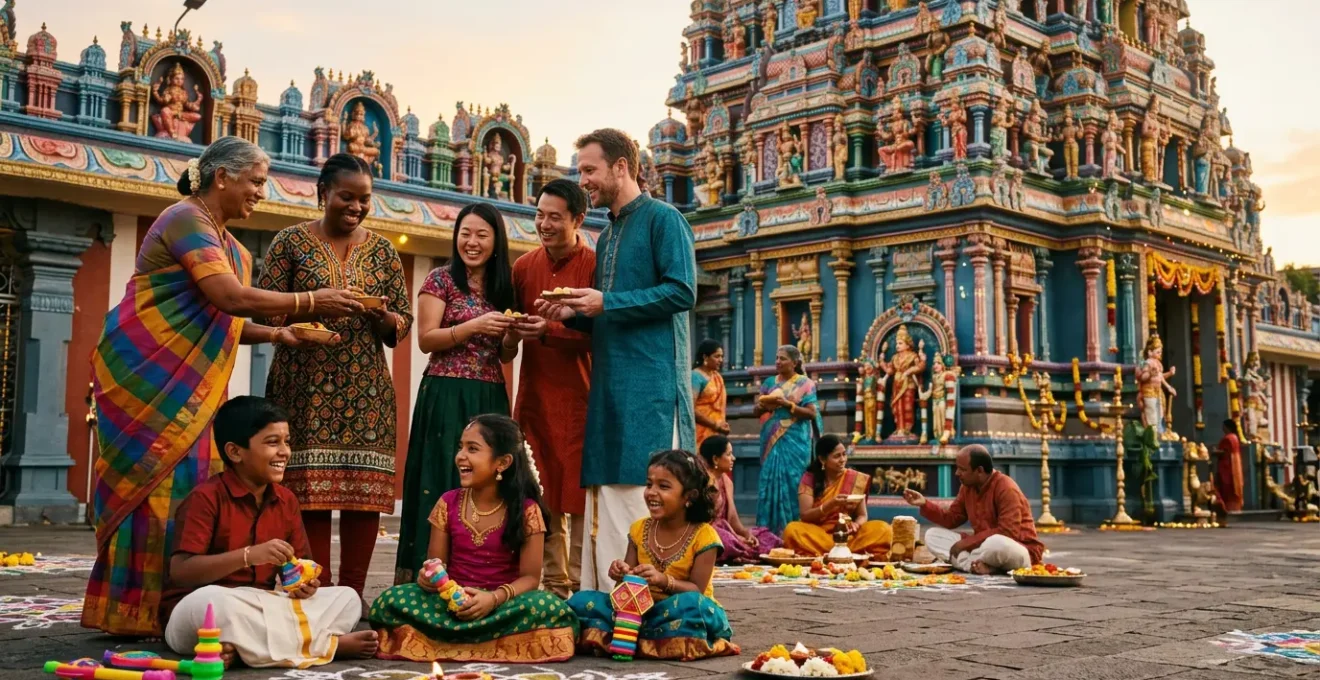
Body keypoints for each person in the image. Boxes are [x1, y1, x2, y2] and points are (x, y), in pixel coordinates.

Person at [85, 137, 364, 636]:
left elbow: (226, 319)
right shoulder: (184, 218)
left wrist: (280, 333)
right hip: (147, 369)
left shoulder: (232, 246)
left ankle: (180, 607)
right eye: (256, 181)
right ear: (222, 177)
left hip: (190, 382)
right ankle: (131, 609)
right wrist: (309, 302)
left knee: (188, 484)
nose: (262, 191)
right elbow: (227, 296)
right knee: (147, 487)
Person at [536, 128, 698, 593]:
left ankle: (647, 604)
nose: (582, 178)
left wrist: (606, 303)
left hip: (650, 385)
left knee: (642, 492)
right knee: (606, 497)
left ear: (621, 167)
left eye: (589, 169)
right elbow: (610, 309)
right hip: (608, 386)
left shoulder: (664, 220)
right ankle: (608, 605)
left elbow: (682, 291)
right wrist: (572, 314)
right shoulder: (605, 236)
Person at [258, 153, 414, 600]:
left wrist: (380, 313)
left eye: (365, 199)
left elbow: (400, 323)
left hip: (366, 389)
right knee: (309, 494)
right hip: (301, 385)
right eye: (347, 196)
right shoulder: (289, 242)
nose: (357, 206)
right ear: (322, 192)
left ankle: (353, 595)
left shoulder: (383, 250)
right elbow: (265, 305)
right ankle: (318, 590)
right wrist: (314, 303)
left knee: (363, 495)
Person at [162, 396, 378, 669]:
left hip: (261, 606)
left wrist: (304, 585)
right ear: (235, 452)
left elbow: (299, 568)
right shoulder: (205, 499)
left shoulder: (286, 500)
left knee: (346, 598)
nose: (285, 452)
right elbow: (181, 572)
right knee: (216, 602)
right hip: (203, 610)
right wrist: (248, 556)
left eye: (287, 441)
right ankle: (327, 645)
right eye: (272, 442)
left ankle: (243, 651)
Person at [369, 415, 579, 662]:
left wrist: (493, 599)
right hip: (451, 606)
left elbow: (531, 579)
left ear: (502, 462)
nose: (461, 456)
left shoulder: (526, 510)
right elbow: (435, 565)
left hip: (503, 607)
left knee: (549, 607)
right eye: (460, 447)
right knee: (390, 601)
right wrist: (428, 579)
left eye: (473, 449)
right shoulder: (447, 503)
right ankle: (490, 642)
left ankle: (445, 641)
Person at [396, 202, 520, 584]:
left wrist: (512, 335)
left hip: (489, 396)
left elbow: (505, 354)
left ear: (496, 240)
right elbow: (426, 339)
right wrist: (475, 324)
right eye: (465, 233)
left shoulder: (505, 287)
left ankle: (481, 574)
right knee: (442, 475)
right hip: (446, 392)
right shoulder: (441, 279)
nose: (472, 241)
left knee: (490, 483)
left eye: (482, 234)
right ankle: (429, 575)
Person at [508, 179, 595, 599]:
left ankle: (578, 586)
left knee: (576, 489)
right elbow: (511, 325)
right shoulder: (524, 267)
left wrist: (551, 328)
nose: (543, 223)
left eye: (554, 217)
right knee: (539, 489)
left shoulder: (594, 266)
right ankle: (551, 584)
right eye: (539, 214)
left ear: (577, 219)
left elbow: (603, 332)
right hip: (536, 394)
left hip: (581, 394)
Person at [567, 450, 740, 661]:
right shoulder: (639, 529)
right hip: (641, 612)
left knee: (694, 607)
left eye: (663, 486)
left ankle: (630, 638)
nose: (651, 492)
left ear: (689, 496)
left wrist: (663, 580)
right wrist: (621, 574)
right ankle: (646, 637)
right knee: (582, 600)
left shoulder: (705, 536)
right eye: (649, 484)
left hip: (677, 612)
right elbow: (626, 588)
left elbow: (697, 590)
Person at [902, 445, 1044, 575]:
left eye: (962, 469)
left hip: (1019, 550)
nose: (957, 473)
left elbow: (1007, 532)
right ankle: (979, 566)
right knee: (932, 536)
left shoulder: (1006, 488)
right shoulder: (967, 488)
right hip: (980, 547)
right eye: (957, 468)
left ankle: (970, 563)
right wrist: (924, 504)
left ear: (980, 471)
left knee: (996, 543)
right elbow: (951, 518)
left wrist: (965, 544)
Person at [782, 434, 892, 560]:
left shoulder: (855, 479)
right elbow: (805, 515)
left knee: (884, 529)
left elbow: (862, 515)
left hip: (848, 536)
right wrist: (831, 504)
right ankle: (844, 554)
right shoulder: (810, 478)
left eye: (844, 454)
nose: (842, 459)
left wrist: (856, 524)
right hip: (818, 534)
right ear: (823, 459)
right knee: (792, 530)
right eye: (836, 456)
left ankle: (832, 553)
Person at [754, 345, 822, 535]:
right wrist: (764, 405)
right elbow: (756, 411)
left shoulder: (805, 383)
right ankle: (767, 533)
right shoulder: (768, 383)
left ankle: (794, 533)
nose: (777, 362)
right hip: (771, 437)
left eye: (782, 358)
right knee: (768, 481)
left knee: (794, 482)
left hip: (796, 439)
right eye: (776, 358)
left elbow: (810, 413)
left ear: (794, 362)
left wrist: (788, 405)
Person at [700, 435, 781, 563]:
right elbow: (702, 522)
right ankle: (740, 553)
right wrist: (736, 536)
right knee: (724, 540)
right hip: (709, 531)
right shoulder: (703, 482)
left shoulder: (727, 481)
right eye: (729, 454)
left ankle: (742, 552)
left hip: (728, 530)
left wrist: (745, 534)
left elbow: (732, 517)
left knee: (767, 536)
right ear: (715, 459)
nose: (733, 458)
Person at [693, 340, 731, 446]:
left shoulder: (717, 377)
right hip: (699, 433)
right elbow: (690, 409)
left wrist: (720, 426)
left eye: (722, 356)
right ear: (705, 357)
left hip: (716, 433)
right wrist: (715, 425)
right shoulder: (696, 377)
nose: (721, 360)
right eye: (717, 356)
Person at [1213, 418, 1244, 524]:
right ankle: (1236, 507)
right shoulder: (1235, 437)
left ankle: (1228, 508)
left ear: (1227, 427)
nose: (1222, 428)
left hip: (1227, 465)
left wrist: (1215, 452)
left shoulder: (1228, 438)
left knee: (1227, 486)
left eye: (1223, 426)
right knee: (1234, 485)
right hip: (1235, 463)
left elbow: (1224, 452)